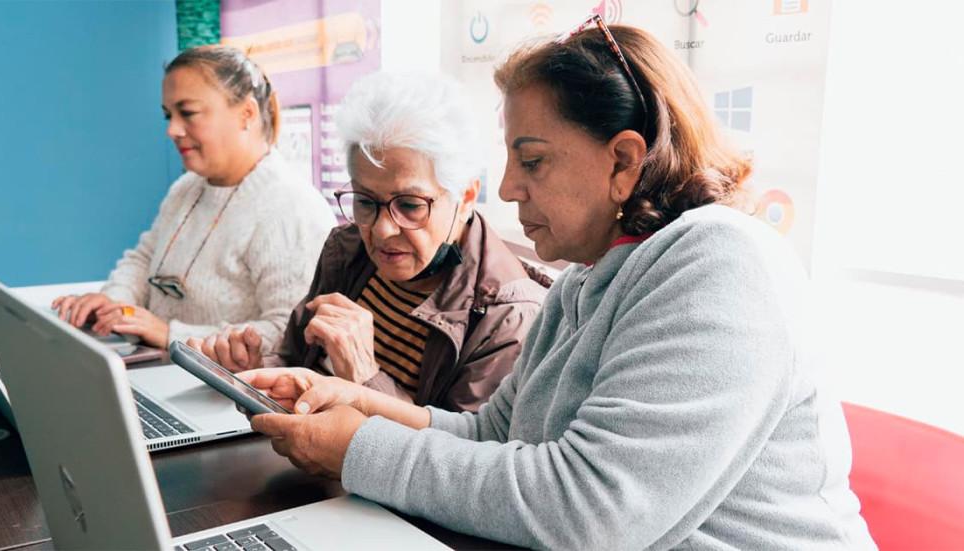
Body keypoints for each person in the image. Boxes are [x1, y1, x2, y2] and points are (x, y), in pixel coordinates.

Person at [233, 19, 876, 550]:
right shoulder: (587, 279)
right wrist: (352, 398)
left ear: (622, 160)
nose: (510, 187)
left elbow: (591, 508)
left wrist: (358, 448)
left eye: (532, 160)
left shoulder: (722, 263)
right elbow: (491, 437)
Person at [189, 72, 549, 412]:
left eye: (409, 205)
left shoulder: (508, 317)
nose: (381, 231)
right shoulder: (347, 249)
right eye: (364, 202)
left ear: (466, 195)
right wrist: (255, 371)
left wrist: (364, 376)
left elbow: (461, 463)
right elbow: (295, 361)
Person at [51, 46, 335, 349]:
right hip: (162, 369)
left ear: (246, 113)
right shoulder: (186, 188)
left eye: (187, 113)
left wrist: (171, 335)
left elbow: (289, 335)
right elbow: (144, 259)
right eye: (168, 116)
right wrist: (114, 303)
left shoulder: (292, 208)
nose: (172, 130)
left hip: (225, 391)